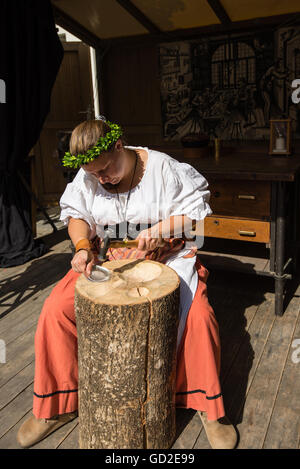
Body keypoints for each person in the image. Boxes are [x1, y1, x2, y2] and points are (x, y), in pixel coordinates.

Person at [17, 118, 238, 449]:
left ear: (119, 147)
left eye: (106, 170)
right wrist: (81, 247)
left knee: (199, 318)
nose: (102, 179)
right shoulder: (90, 173)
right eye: (94, 175)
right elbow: (78, 215)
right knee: (55, 310)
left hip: (169, 258)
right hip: (112, 261)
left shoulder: (164, 169)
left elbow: (197, 216)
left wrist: (160, 231)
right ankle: (55, 406)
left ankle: (209, 409)